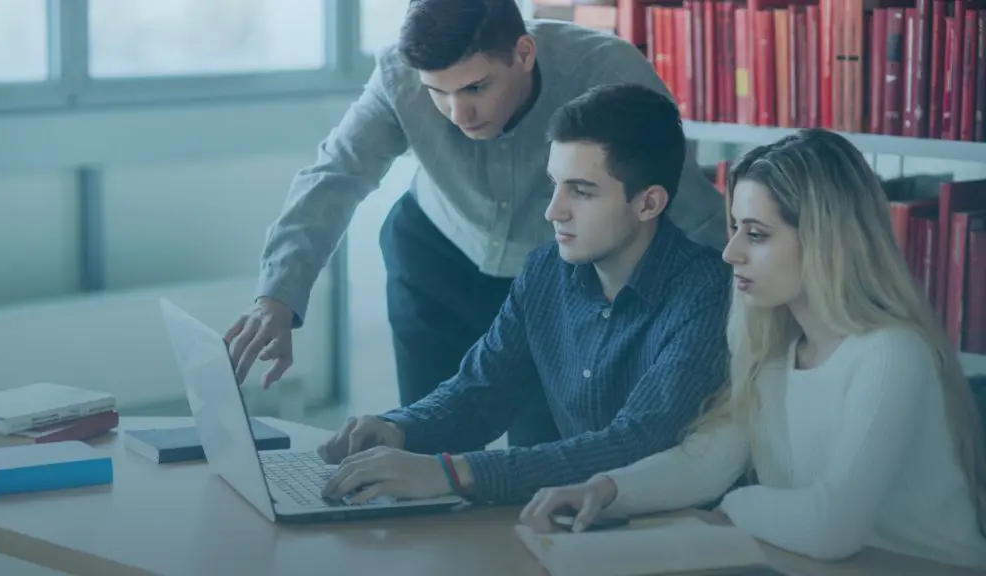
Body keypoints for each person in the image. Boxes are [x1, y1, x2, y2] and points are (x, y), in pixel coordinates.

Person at [222, 0, 727, 449]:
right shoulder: (399, 75)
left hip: (550, 281)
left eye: (476, 87)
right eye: (437, 93)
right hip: (434, 259)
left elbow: (681, 197)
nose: (457, 112)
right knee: (418, 438)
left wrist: (746, 304)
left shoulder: (607, 70)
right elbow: (336, 174)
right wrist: (278, 295)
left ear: (524, 53)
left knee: (538, 453)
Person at [519, 129, 986, 569]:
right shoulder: (776, 353)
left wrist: (734, 503)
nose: (731, 253)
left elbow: (831, 529)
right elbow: (705, 463)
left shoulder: (890, 354)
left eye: (757, 235)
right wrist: (602, 490)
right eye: (736, 228)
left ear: (826, 243)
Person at [314, 82, 731, 507]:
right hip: (578, 526)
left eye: (581, 191)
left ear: (648, 204)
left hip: (676, 535)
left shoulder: (706, 295)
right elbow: (481, 391)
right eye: (555, 184)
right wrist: (398, 429)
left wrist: (451, 473)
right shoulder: (546, 271)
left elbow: (633, 445)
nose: (554, 210)